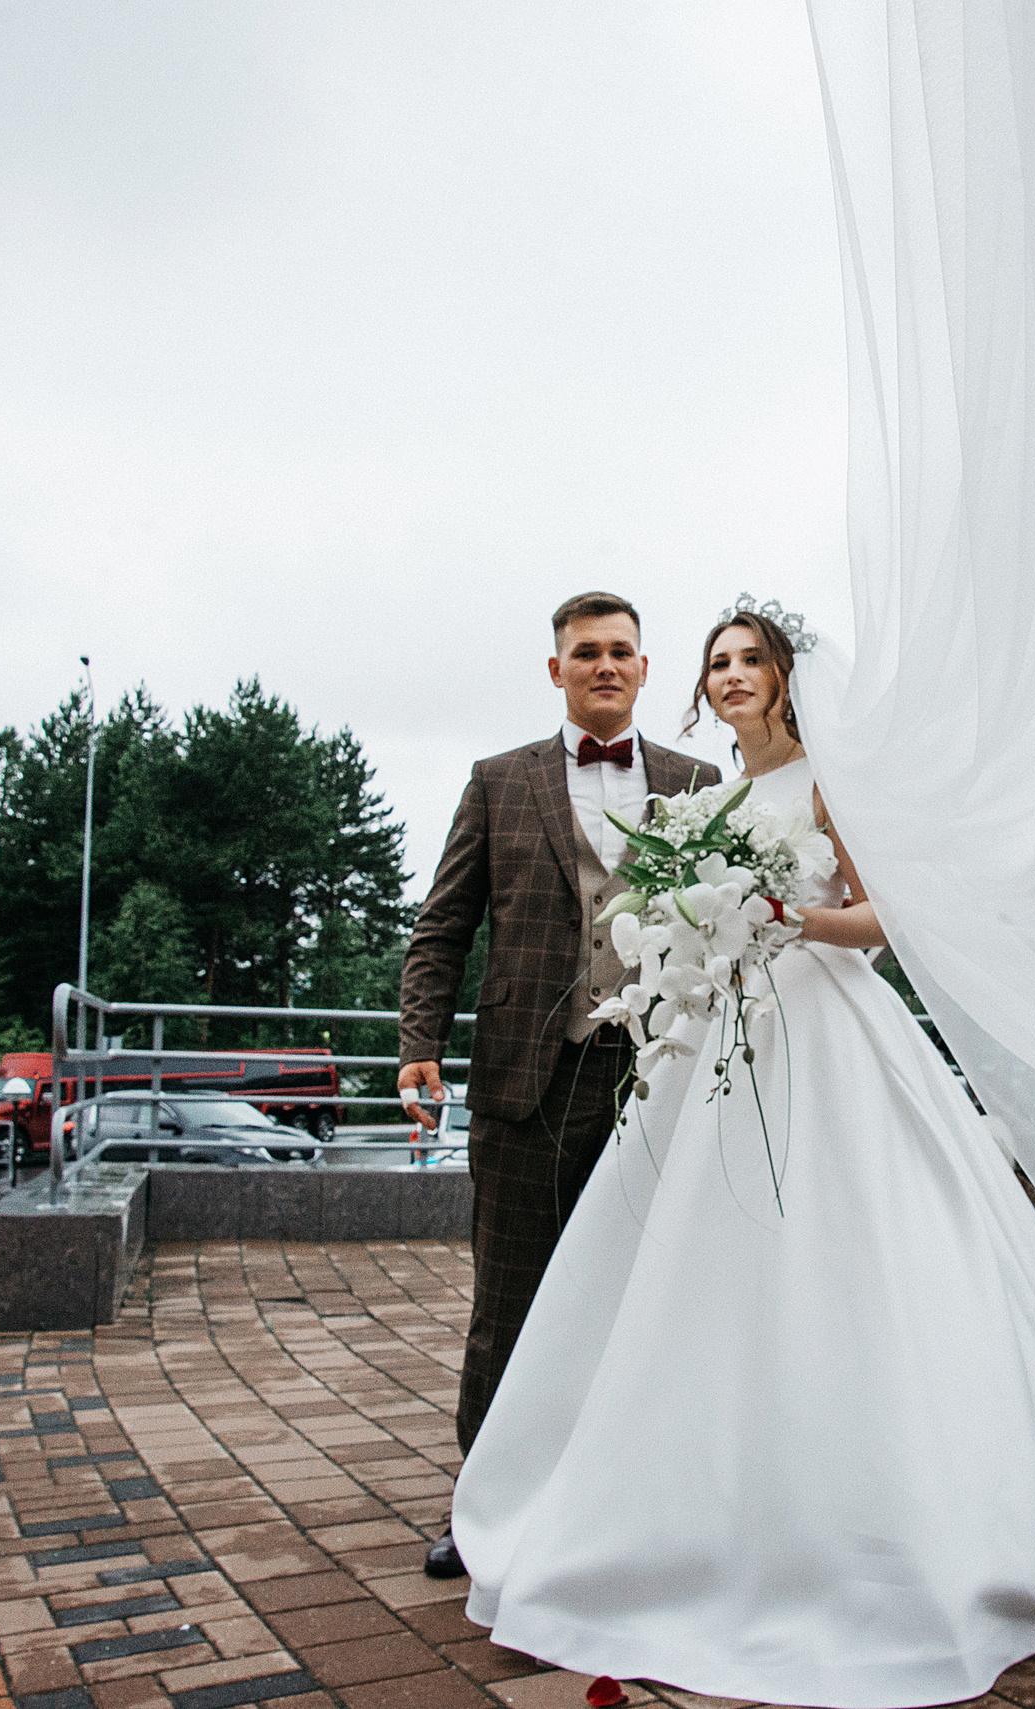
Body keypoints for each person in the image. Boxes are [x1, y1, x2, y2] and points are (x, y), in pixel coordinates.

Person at [449, 602, 1035, 1709]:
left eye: (751, 661)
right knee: (695, 1267)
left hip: (827, 1031)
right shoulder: (706, 797)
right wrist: (707, 926)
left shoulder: (826, 781)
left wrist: (780, 912)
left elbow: (887, 916)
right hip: (720, 1042)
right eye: (718, 662)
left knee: (857, 1250)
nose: (733, 676)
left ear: (788, 679)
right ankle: (683, 1487)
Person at [397, 590, 721, 1580]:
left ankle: (625, 1503)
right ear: (557, 671)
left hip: (656, 1080)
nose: (605, 666)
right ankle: (486, 1510)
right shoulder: (499, 781)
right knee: (510, 1300)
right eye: (587, 653)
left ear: (644, 667)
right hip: (525, 1082)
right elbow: (444, 923)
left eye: (622, 651)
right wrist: (419, 1041)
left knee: (643, 1300)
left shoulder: (700, 782)